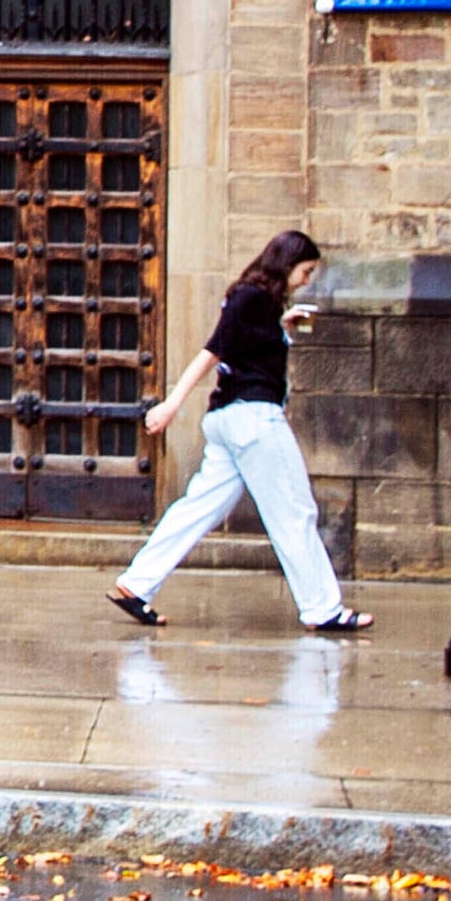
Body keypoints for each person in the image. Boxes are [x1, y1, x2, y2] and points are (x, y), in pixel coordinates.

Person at [108, 229, 371, 634]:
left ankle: (136, 584)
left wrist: (282, 323)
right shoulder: (251, 298)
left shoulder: (256, 301)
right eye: (306, 270)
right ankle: (323, 608)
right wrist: (171, 405)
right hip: (254, 420)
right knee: (295, 511)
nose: (307, 280)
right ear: (287, 264)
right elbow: (213, 351)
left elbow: (244, 350)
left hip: (230, 420)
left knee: (199, 509)